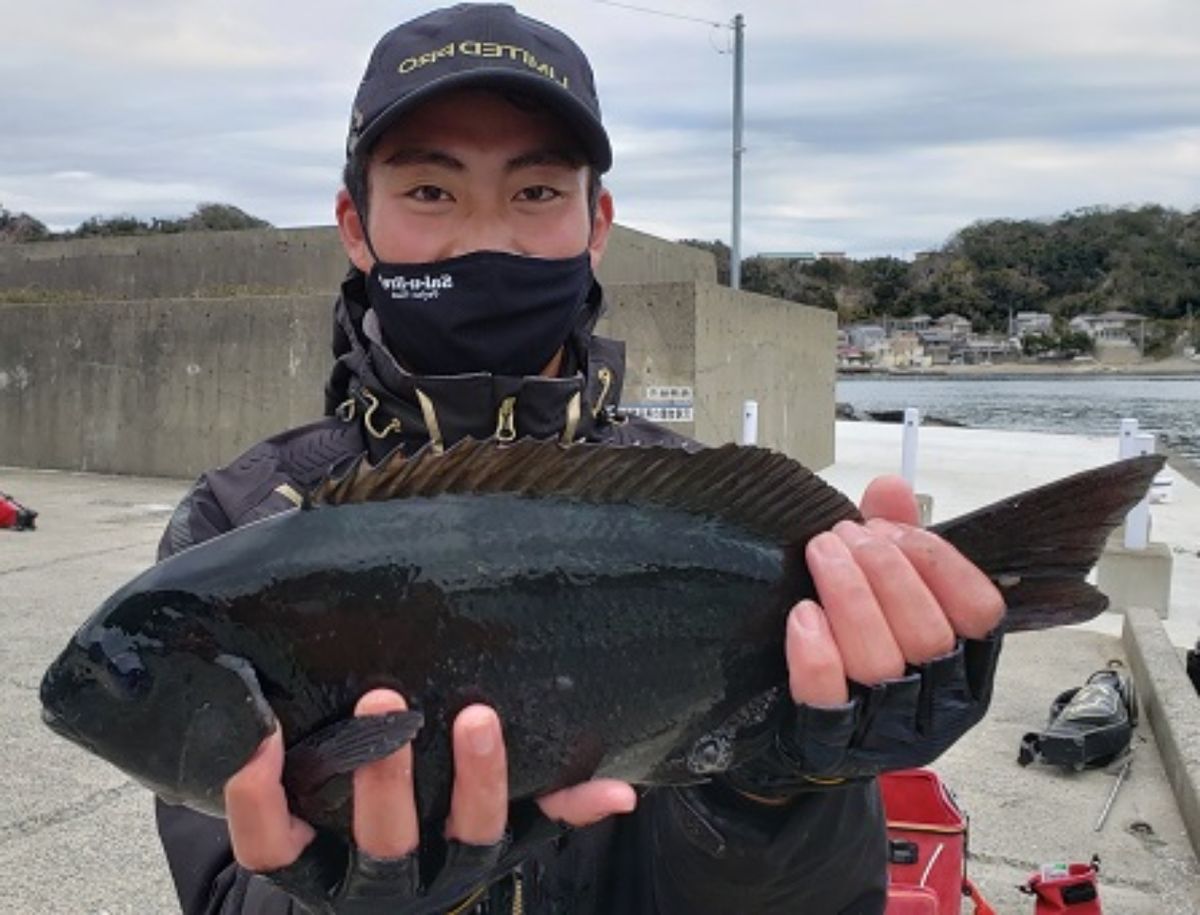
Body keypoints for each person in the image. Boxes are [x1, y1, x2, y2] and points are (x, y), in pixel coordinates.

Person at [155, 4, 1005, 913]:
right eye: (431, 192)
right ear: (355, 225)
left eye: (536, 193)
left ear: (596, 222)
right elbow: (220, 890)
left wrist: (781, 791)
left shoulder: (687, 504)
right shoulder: (238, 526)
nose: (484, 237)